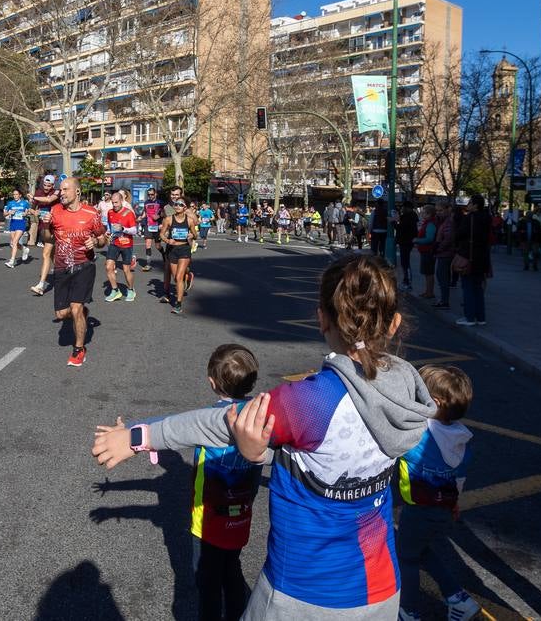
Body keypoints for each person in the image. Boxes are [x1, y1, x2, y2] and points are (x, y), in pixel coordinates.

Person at [93, 255, 435, 619]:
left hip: (305, 592)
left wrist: (138, 436)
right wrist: (262, 456)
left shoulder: (309, 402)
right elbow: (338, 458)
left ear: (320, 317)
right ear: (395, 323)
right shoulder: (405, 389)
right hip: (381, 588)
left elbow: (217, 423)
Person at [100, 344, 261, 621]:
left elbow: (172, 424)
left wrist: (129, 432)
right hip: (241, 516)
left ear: (212, 383)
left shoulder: (212, 421)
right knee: (232, 569)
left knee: (207, 582)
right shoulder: (257, 419)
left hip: (207, 520)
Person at [396, 365, 480, 621]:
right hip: (442, 509)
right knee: (421, 550)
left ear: (433, 403)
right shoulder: (460, 440)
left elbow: (390, 442)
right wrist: (454, 504)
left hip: (419, 510)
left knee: (406, 557)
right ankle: (458, 599)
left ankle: (408, 610)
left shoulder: (419, 434)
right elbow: (459, 479)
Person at [50, 176, 107, 367]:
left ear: (77, 192)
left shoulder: (92, 213)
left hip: (84, 266)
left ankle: (79, 349)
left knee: (76, 308)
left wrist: (96, 243)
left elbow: (102, 239)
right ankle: (82, 312)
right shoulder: (55, 211)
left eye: (66, 189)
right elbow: (48, 237)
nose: (61, 193)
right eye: (60, 190)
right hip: (61, 266)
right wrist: (45, 226)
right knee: (62, 314)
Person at [454, 195, 491, 327]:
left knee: (468, 288)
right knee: (478, 288)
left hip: (469, 257)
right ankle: (481, 317)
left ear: (475, 205)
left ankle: (469, 317)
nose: (468, 205)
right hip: (482, 257)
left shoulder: (469, 218)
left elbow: (458, 235)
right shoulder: (487, 218)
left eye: (470, 202)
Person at [162, 186, 197, 315]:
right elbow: (163, 221)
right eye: (172, 194)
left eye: (176, 194)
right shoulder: (167, 208)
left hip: (185, 245)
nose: (174, 196)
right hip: (171, 244)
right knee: (168, 269)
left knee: (178, 275)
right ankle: (167, 293)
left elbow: (196, 222)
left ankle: (178, 301)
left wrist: (191, 234)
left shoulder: (185, 208)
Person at [103, 189, 137, 303]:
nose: (114, 205)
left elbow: (134, 230)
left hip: (126, 244)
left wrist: (123, 229)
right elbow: (109, 225)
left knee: (126, 269)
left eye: (116, 202)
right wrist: (108, 231)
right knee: (108, 266)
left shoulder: (129, 213)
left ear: (122, 201)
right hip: (114, 243)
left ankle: (131, 289)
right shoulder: (110, 212)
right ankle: (115, 290)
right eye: (112, 203)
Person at [29, 173, 61, 295]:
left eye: (49, 185)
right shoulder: (38, 192)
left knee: (46, 254)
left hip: (54, 226)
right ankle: (64, 272)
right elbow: (32, 208)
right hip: (43, 226)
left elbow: (49, 200)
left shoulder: (57, 192)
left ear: (53, 185)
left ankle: (41, 285)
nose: (46, 187)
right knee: (52, 255)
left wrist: (34, 198)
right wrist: (34, 212)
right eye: (45, 184)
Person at [434, 204, 456, 309]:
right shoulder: (442, 222)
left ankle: (444, 301)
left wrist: (439, 248)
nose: (438, 212)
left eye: (441, 210)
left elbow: (448, 238)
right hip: (443, 253)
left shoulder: (448, 223)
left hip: (445, 253)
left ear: (447, 210)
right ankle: (443, 300)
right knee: (441, 276)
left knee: (442, 277)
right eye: (437, 210)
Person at [414, 205, 438, 299]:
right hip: (425, 250)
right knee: (427, 273)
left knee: (429, 273)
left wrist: (417, 240)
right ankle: (428, 291)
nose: (422, 214)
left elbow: (429, 238)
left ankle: (430, 292)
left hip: (428, 251)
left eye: (423, 212)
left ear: (429, 214)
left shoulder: (430, 224)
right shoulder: (427, 223)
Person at [3, 186, 31, 268]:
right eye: (14, 194)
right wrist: (9, 212)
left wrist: (25, 214)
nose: (15, 196)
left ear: (20, 195)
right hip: (13, 223)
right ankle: (24, 249)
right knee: (13, 243)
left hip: (21, 223)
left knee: (14, 242)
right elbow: (4, 214)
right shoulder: (10, 203)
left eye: (16, 194)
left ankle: (11, 261)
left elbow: (28, 211)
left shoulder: (25, 203)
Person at [139, 187, 164, 271]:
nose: (150, 196)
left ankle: (165, 256)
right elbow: (145, 213)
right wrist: (140, 218)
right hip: (148, 225)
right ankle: (148, 264)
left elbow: (167, 213)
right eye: (149, 194)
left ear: (155, 194)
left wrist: (159, 216)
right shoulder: (146, 202)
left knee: (158, 246)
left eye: (152, 194)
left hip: (157, 226)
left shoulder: (161, 202)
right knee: (148, 244)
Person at [396, 201, 419, 290]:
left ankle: (407, 281)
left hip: (406, 241)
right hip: (407, 241)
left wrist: (394, 222)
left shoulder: (409, 217)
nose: (402, 209)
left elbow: (401, 227)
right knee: (405, 262)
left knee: (405, 262)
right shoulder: (412, 216)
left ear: (407, 208)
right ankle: (406, 280)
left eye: (403, 207)